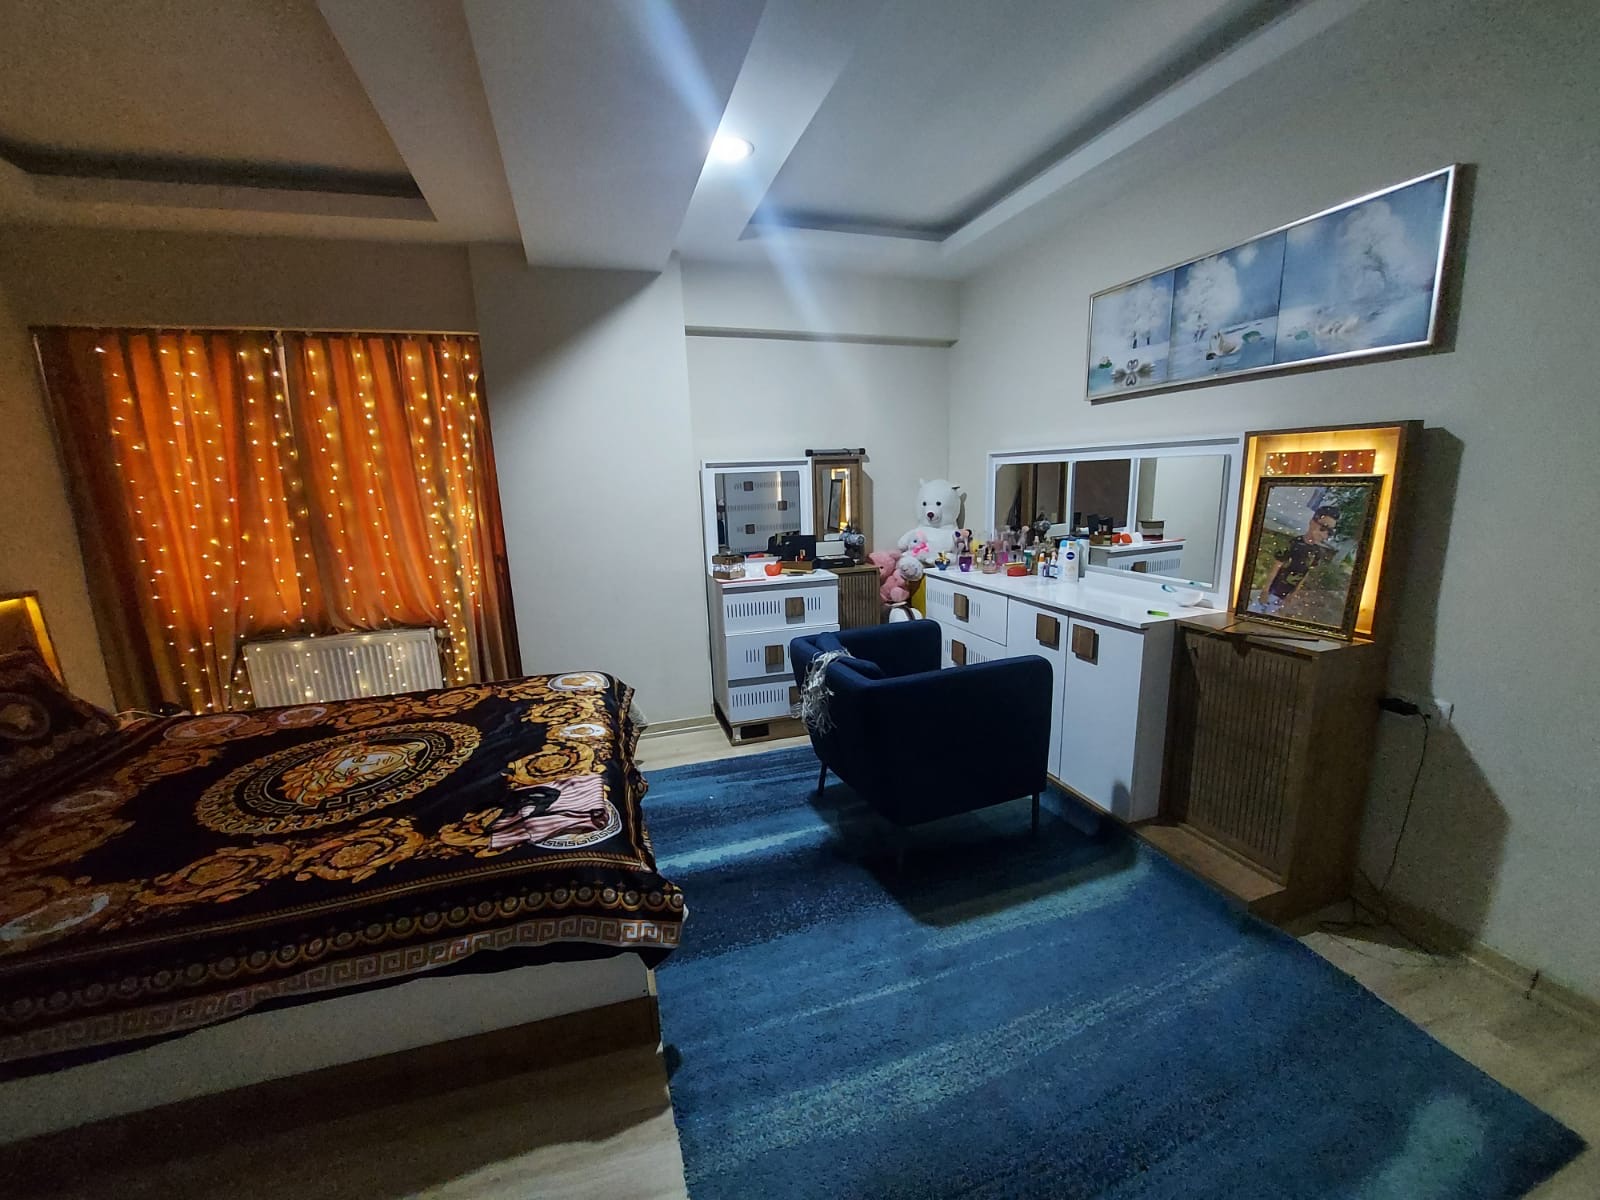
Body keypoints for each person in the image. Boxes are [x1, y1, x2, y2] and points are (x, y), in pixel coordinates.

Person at [1254, 505, 1339, 613]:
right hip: (1273, 589)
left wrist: (1293, 594)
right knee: (1256, 610)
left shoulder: (1316, 552)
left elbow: (1305, 574)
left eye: (1329, 532)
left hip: (1284, 595)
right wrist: (1265, 590)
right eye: (1323, 527)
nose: (1324, 534)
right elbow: (1276, 567)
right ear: (1312, 522)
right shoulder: (1293, 544)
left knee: (1271, 612)